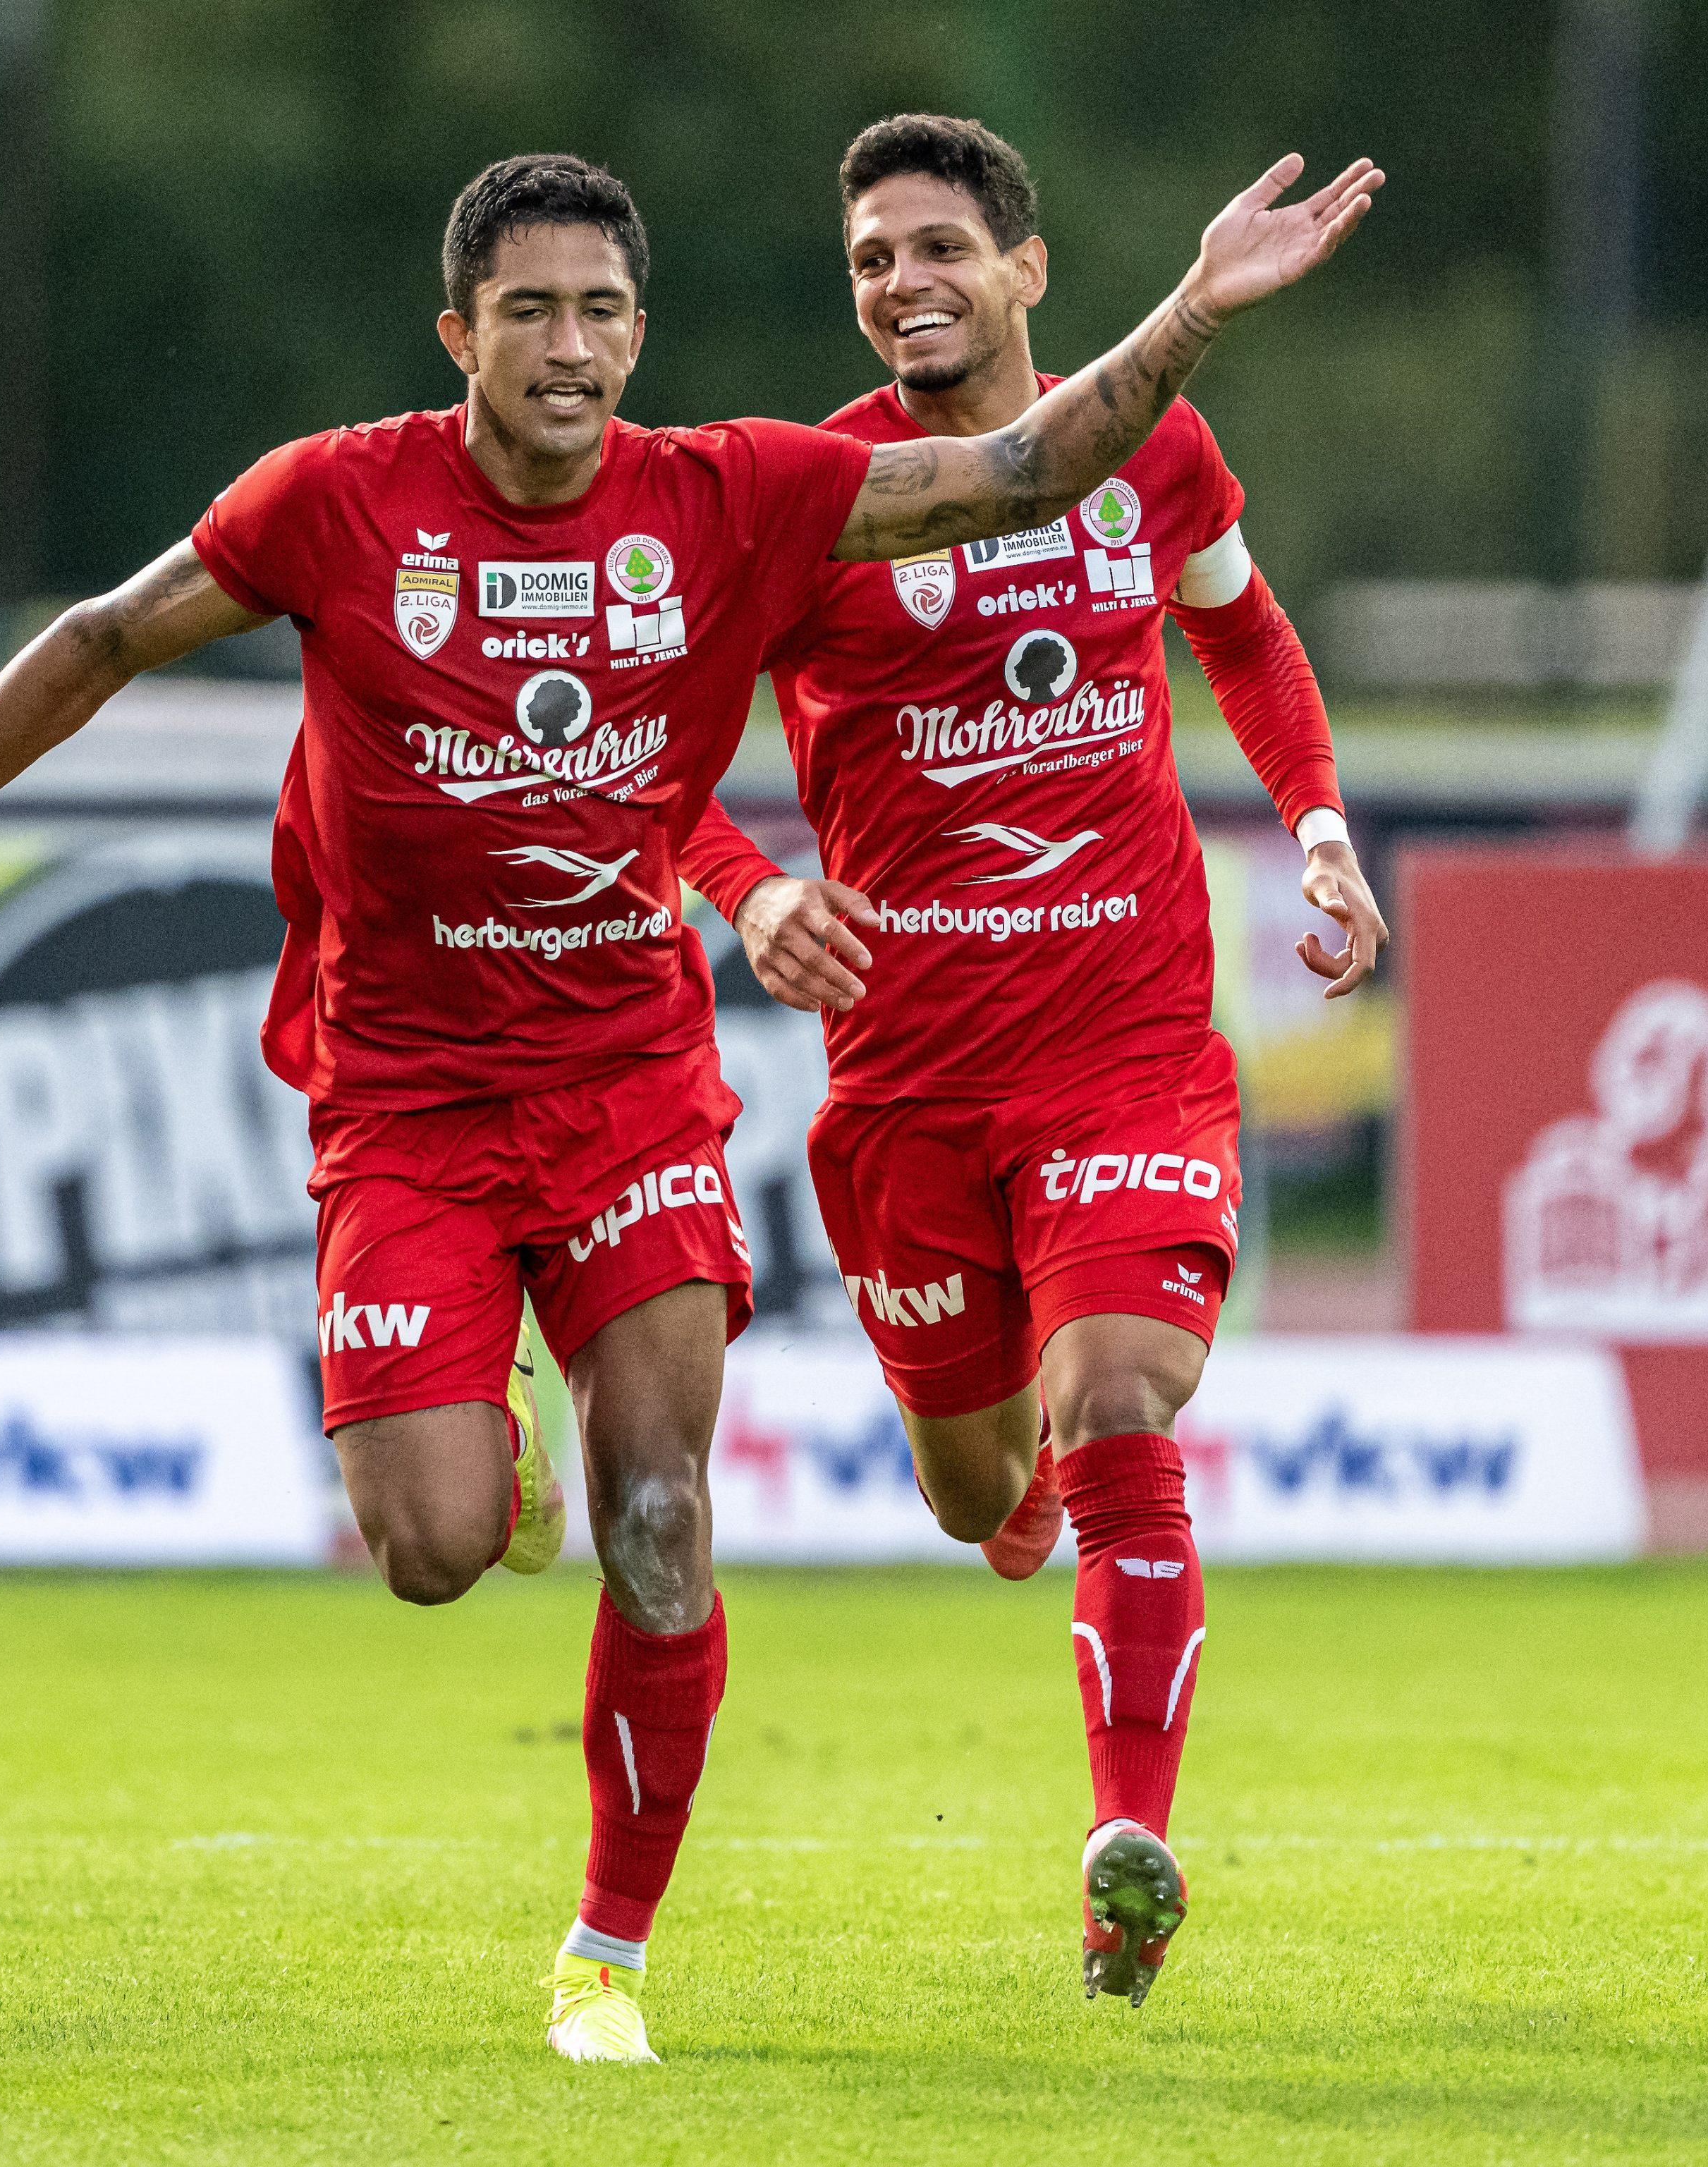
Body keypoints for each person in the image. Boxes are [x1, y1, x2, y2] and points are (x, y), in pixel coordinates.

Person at [0, 145, 1380, 2059]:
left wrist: (1196, 314)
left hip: (655, 1087)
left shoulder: (729, 496)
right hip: (427, 1102)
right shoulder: (340, 502)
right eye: (526, 309)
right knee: (449, 1542)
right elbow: (101, 639)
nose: (566, 343)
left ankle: (610, 1950)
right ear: (456, 331)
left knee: (673, 1510)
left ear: (641, 333)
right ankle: (503, 1450)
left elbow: (1032, 472)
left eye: (600, 309)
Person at [680, 116, 1390, 2011]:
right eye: (868, 260)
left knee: (1118, 1401)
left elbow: (1241, 633)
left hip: (1124, 1046)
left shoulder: (1149, 446)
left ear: (1026, 270)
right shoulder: (807, 493)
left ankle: (1119, 1847)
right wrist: (750, 896)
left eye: (933, 248)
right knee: (972, 1478)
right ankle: (1008, 1502)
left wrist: (1314, 822)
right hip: (910, 1083)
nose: (899, 280)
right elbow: (655, 761)